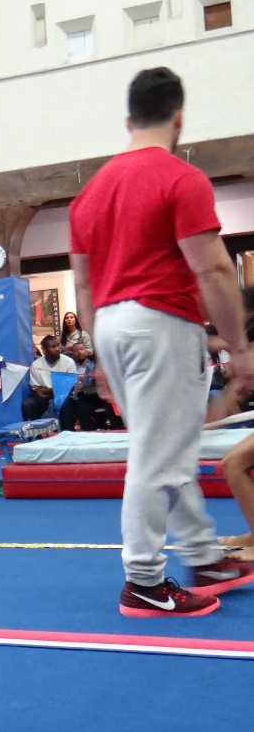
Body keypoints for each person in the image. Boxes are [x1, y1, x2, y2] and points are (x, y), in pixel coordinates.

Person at [70, 66, 254, 616]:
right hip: (159, 322)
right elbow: (213, 270)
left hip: (110, 323)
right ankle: (144, 581)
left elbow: (83, 286)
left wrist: (102, 359)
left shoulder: (89, 194)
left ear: (128, 120)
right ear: (178, 118)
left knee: (169, 447)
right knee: (158, 456)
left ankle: (203, 555)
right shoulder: (180, 178)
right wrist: (239, 349)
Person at [23, 334, 78, 421]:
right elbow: (36, 389)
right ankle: (38, 429)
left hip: (63, 396)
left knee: (66, 402)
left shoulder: (68, 362)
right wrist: (53, 390)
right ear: (44, 350)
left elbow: (68, 387)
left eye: (58, 345)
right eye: (53, 346)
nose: (57, 349)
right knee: (27, 404)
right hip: (43, 398)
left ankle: (67, 428)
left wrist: (48, 390)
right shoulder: (36, 364)